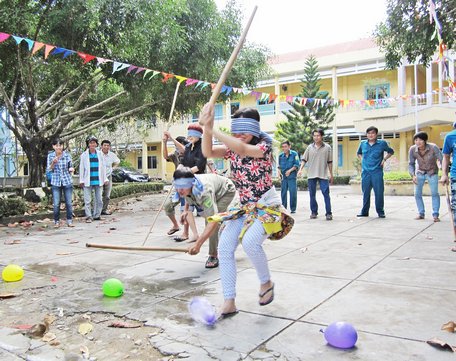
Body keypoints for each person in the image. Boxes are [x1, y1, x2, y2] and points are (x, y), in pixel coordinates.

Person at [198, 104, 294, 317]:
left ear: (255, 129)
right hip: (243, 206)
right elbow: (207, 152)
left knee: (250, 243)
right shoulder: (232, 149)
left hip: (266, 204)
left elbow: (243, 150)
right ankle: (229, 300)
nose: (239, 135)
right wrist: (207, 127)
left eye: (244, 130)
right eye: (236, 131)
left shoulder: (264, 147)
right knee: (224, 248)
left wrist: (212, 128)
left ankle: (265, 282)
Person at [172, 166, 236, 268]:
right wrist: (185, 210)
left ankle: (213, 255)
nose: (179, 190)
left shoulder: (204, 191)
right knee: (212, 221)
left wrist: (198, 244)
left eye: (183, 186)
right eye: (177, 186)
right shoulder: (185, 187)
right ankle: (226, 227)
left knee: (212, 221)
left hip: (226, 191)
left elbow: (213, 220)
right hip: (213, 190)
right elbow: (188, 196)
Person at [163, 124, 207, 242]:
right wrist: (179, 173)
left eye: (192, 135)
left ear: (198, 135)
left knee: (205, 212)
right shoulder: (188, 147)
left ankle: (215, 230)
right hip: (187, 183)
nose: (190, 137)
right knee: (187, 210)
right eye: (189, 135)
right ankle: (195, 234)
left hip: (199, 183)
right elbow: (182, 157)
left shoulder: (203, 147)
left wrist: (185, 174)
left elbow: (199, 166)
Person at [356, 126, 394, 218]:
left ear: (376, 134)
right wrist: (362, 160)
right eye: (368, 133)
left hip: (377, 172)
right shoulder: (363, 143)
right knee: (365, 193)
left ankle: (380, 211)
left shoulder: (382, 143)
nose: (370, 135)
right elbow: (359, 153)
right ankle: (364, 211)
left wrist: (384, 159)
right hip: (366, 172)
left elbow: (391, 151)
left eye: (372, 133)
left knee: (379, 192)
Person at [298, 129, 334, 220]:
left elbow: (329, 162)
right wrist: (300, 169)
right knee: (312, 195)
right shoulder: (309, 147)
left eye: (318, 135)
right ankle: (314, 212)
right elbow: (304, 159)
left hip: (323, 175)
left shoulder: (327, 147)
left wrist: (331, 174)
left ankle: (328, 213)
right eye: (314, 135)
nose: (316, 137)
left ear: (321, 136)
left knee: (326, 194)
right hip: (311, 175)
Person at [408, 131, 442, 222]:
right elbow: (411, 164)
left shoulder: (433, 147)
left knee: (434, 193)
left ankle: (435, 214)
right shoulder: (412, 149)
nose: (418, 142)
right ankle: (421, 213)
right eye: (416, 140)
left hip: (432, 172)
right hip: (420, 172)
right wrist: (413, 175)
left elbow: (441, 159)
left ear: (425, 141)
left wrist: (444, 171)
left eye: (420, 140)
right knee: (417, 193)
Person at [162, 134, 192, 237]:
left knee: (187, 209)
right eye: (175, 147)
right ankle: (175, 225)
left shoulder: (190, 153)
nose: (177, 149)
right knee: (167, 206)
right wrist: (165, 142)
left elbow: (184, 149)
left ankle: (186, 232)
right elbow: (166, 156)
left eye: (178, 146)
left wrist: (171, 137)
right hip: (179, 187)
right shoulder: (176, 155)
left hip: (191, 186)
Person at [46, 138, 75, 228]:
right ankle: (56, 221)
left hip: (67, 181)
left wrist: (72, 170)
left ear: (63, 146)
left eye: (60, 145)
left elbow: (71, 167)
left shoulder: (67, 155)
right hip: (56, 181)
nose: (58, 147)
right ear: (53, 146)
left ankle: (69, 220)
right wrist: (53, 163)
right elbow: (49, 169)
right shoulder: (51, 156)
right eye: (56, 145)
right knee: (56, 203)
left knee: (69, 203)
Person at [79, 136, 108, 223]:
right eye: (90, 143)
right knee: (88, 200)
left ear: (96, 144)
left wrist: (105, 178)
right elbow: (81, 168)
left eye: (94, 143)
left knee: (99, 199)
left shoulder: (100, 154)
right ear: (88, 144)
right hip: (88, 180)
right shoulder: (84, 155)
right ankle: (88, 216)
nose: (92, 144)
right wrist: (81, 180)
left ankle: (97, 215)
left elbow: (103, 168)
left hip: (98, 180)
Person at [440, 122, 456, 243]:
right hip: (455, 176)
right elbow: (445, 157)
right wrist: (444, 174)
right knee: (455, 208)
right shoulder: (450, 137)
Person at [278, 141, 300, 214]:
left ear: (289, 146)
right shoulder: (281, 156)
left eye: (285, 146)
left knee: (293, 192)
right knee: (283, 193)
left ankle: (293, 209)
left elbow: (297, 165)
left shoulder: (294, 154)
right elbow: (279, 166)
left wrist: (289, 171)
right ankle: (284, 208)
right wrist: (279, 173)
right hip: (284, 177)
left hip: (292, 177)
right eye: (283, 147)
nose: (284, 148)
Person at [100, 140, 120, 215]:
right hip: (99, 176)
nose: (106, 147)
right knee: (99, 194)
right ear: (101, 146)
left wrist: (112, 168)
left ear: (109, 147)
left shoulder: (112, 155)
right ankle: (97, 211)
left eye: (108, 145)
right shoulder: (98, 154)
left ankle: (104, 210)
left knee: (107, 195)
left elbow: (117, 161)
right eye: (104, 145)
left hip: (108, 176)